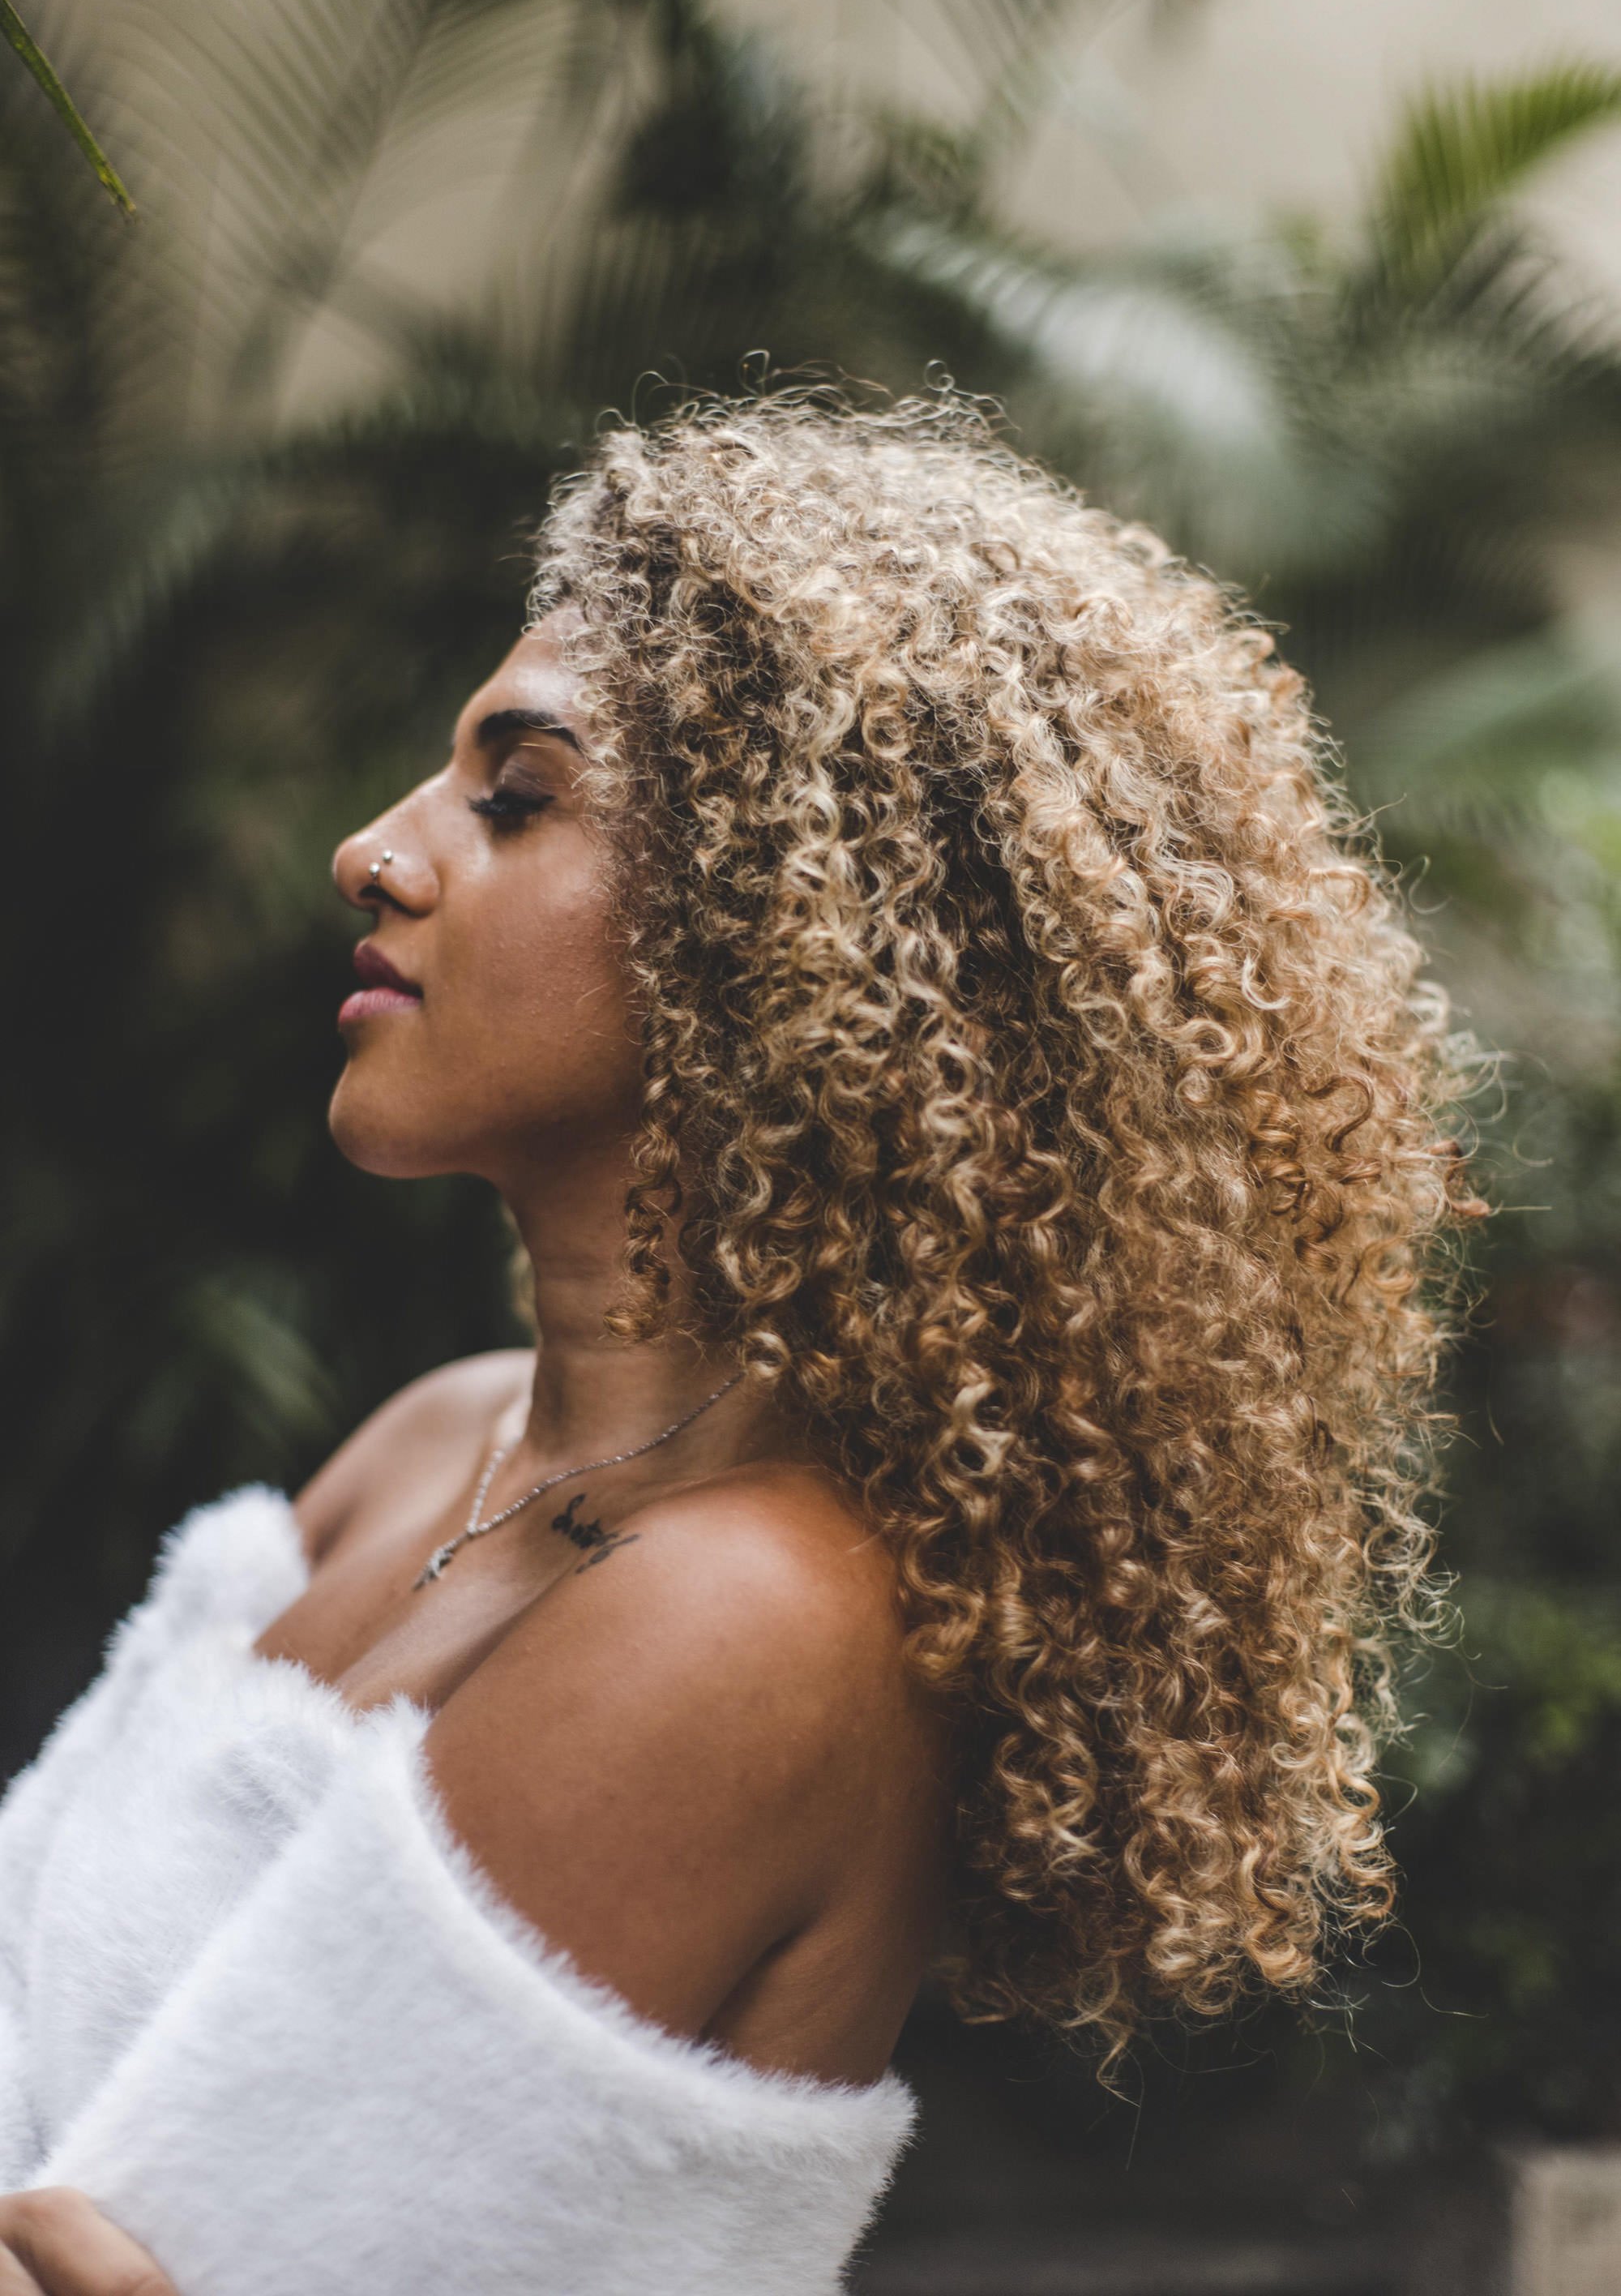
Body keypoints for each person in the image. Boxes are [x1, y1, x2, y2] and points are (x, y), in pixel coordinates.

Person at [0, 393, 1481, 2294]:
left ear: (793, 937)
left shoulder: (742, 1625)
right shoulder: (433, 1436)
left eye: (515, 797)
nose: (374, 853)